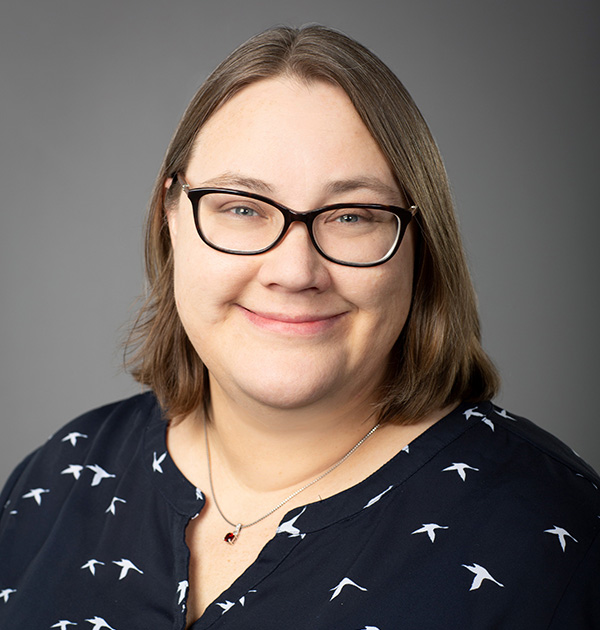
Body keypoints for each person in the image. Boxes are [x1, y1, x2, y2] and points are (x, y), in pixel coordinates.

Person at [0, 25, 598, 630]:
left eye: (351, 216)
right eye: (241, 207)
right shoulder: (56, 480)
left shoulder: (556, 538)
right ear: (171, 217)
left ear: (420, 242)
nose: (294, 271)